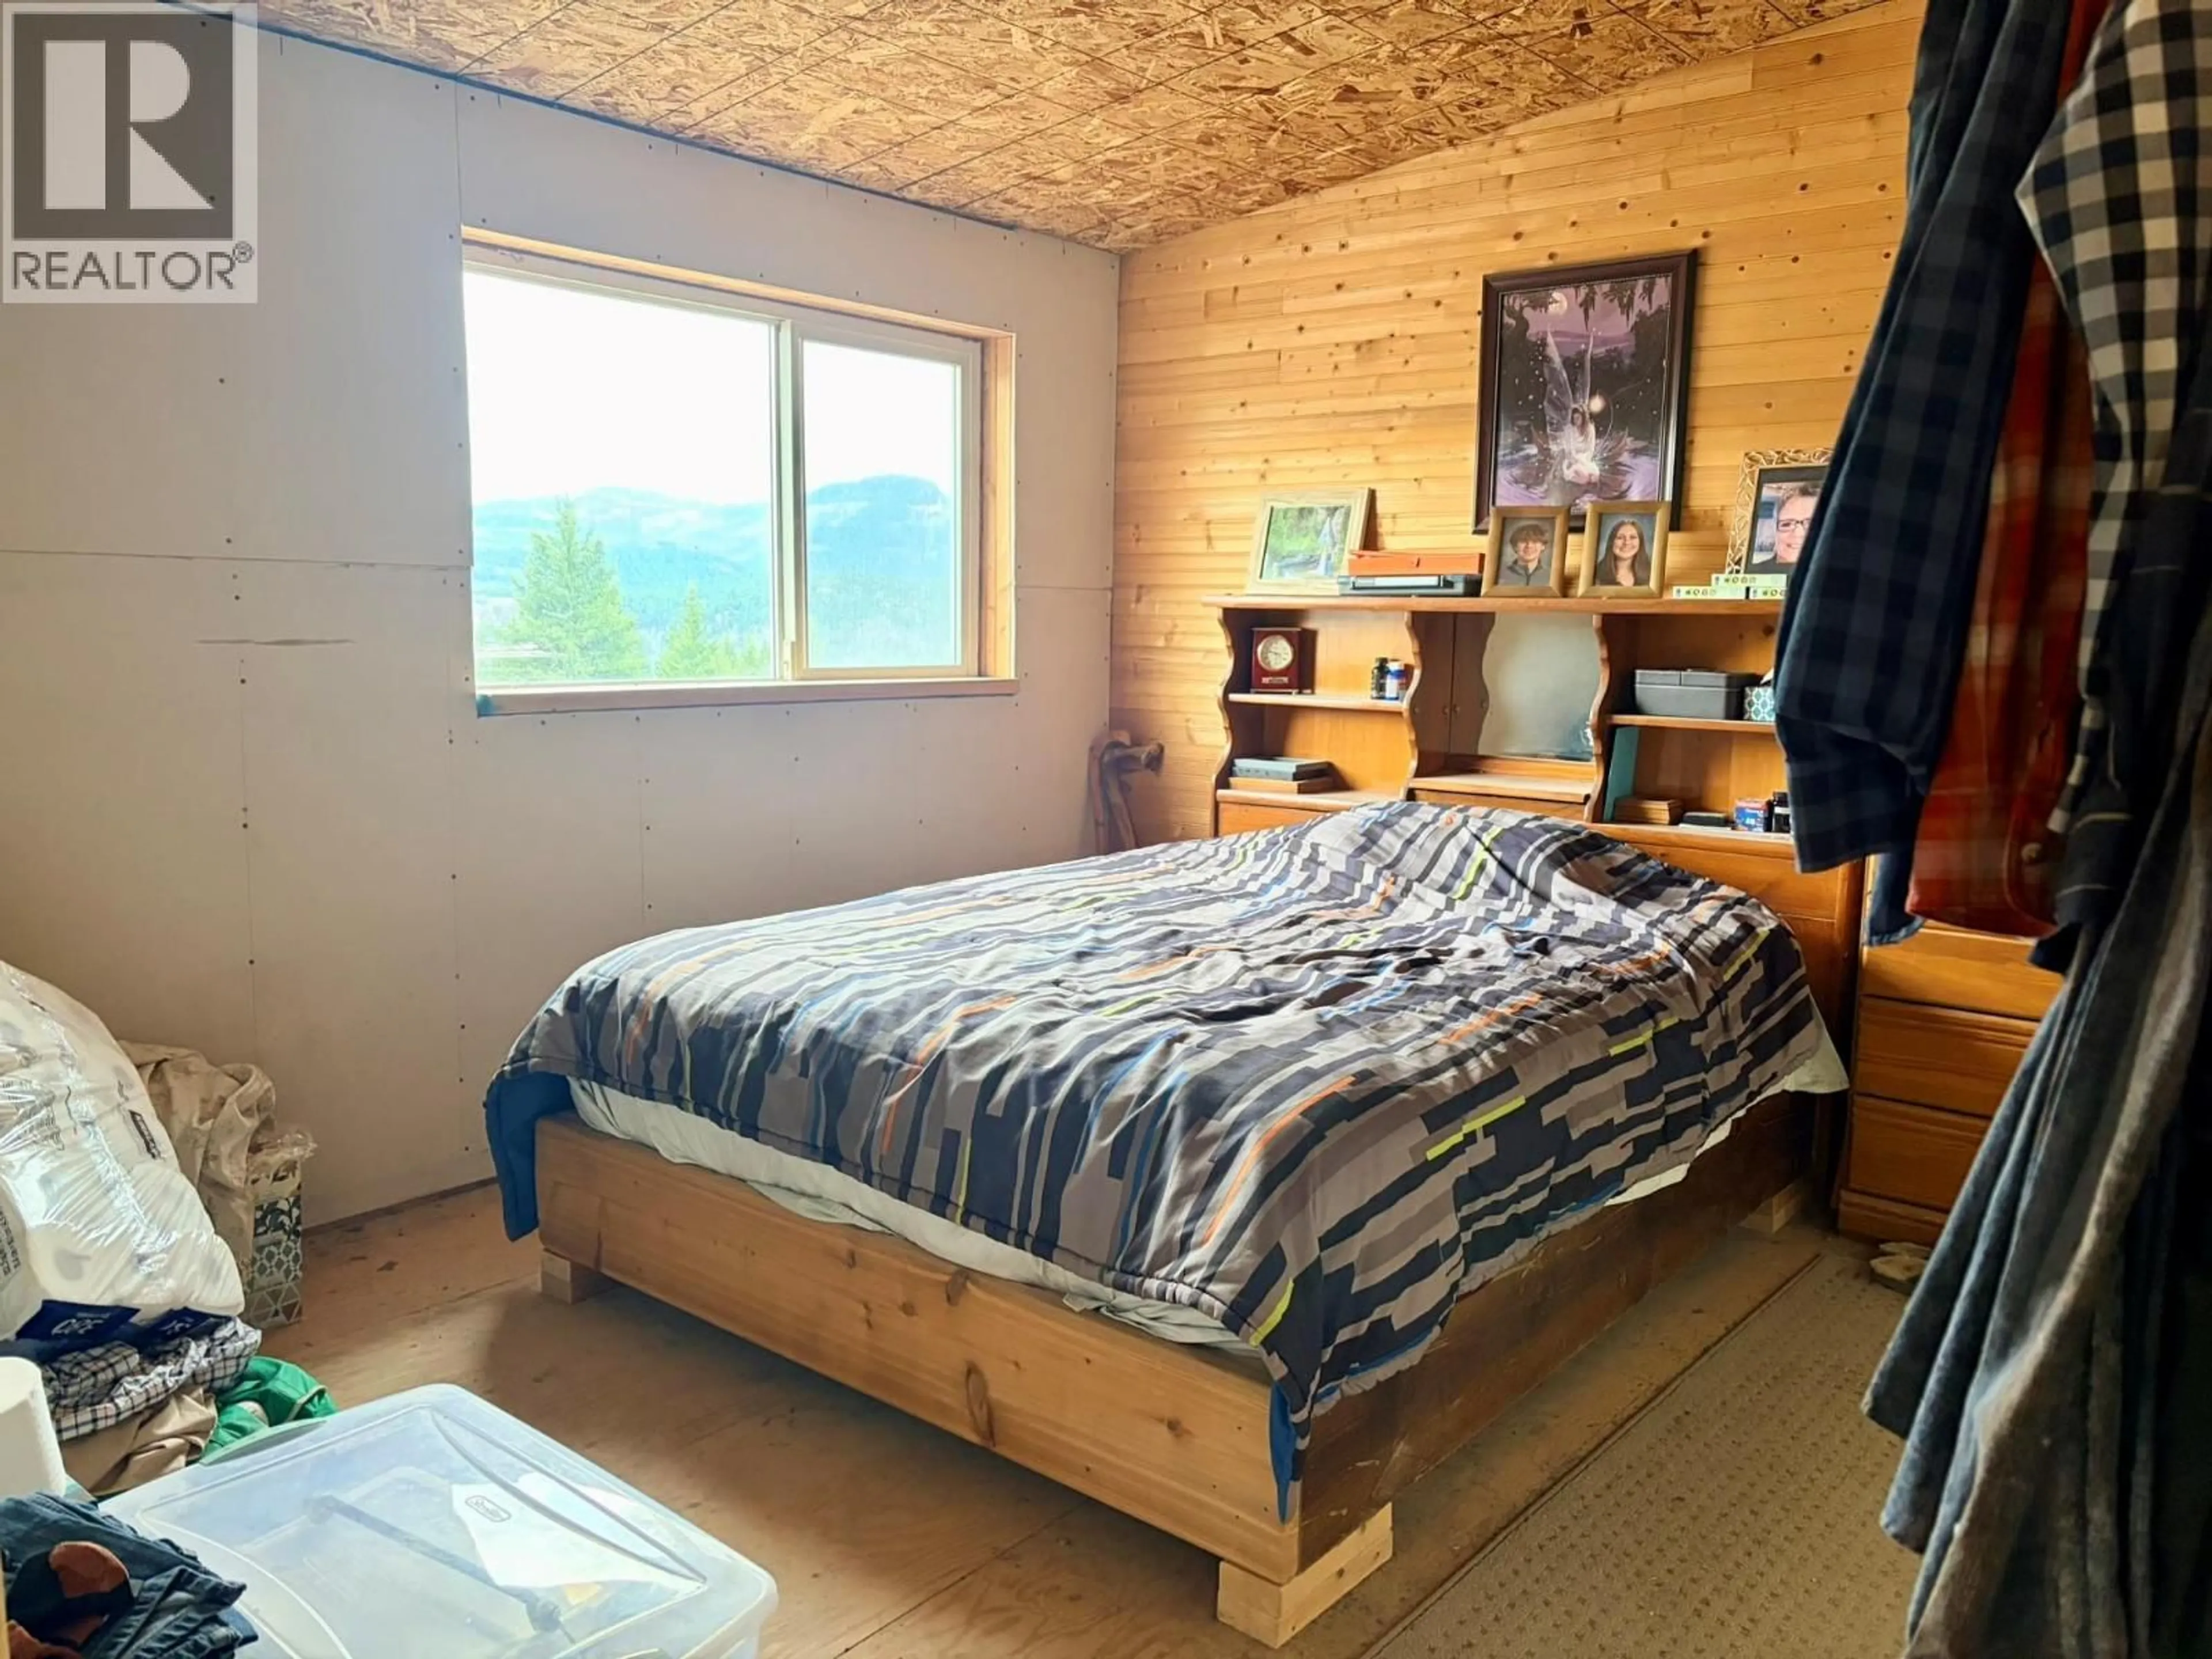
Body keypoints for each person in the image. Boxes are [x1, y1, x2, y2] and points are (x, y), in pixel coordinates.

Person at [1751, 483, 1819, 572]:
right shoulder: (1756, 573)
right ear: (1775, 531)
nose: (1799, 533)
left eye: (1811, 524)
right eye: (1787, 524)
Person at [1496, 520, 1555, 587]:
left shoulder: (1552, 577)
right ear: (1515, 546)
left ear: (1543, 546)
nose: (1529, 546)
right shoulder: (1500, 576)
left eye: (1535, 541)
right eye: (1523, 541)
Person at [1596, 516, 1651, 586]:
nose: (1627, 543)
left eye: (1633, 537)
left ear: (1641, 542)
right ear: (1611, 542)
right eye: (1620, 538)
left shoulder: (1653, 574)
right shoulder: (1594, 574)